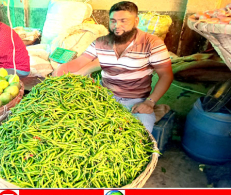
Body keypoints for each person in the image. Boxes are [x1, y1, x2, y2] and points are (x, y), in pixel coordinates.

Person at [54, 1, 173, 133]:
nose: (117, 26)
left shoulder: (152, 43)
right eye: (113, 21)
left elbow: (166, 75)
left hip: (136, 101)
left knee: (140, 133)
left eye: (123, 21)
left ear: (136, 21)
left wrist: (150, 102)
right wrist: (61, 70)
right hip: (103, 97)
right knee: (76, 127)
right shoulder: (101, 42)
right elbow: (81, 61)